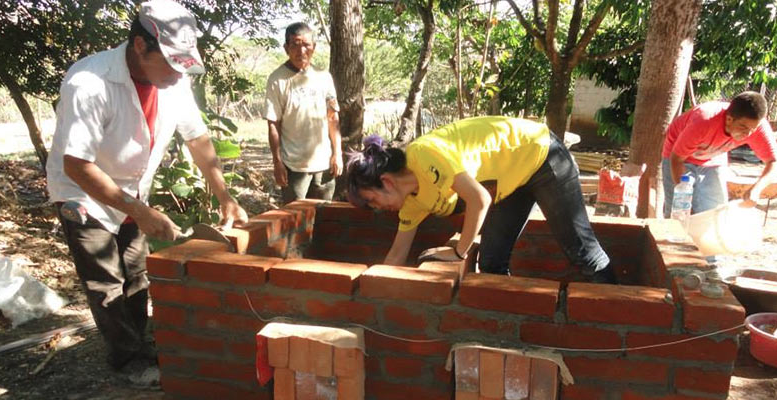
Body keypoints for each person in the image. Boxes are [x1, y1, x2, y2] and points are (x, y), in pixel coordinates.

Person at [45, 0, 248, 383]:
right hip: (83, 191)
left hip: (131, 189)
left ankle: (140, 341)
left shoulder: (175, 80)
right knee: (106, 281)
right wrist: (138, 211)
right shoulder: (89, 83)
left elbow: (197, 137)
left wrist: (224, 195)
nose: (177, 73)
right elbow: (77, 164)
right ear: (140, 45)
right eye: (170, 63)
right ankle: (127, 358)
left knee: (136, 272)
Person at [345, 116, 614, 283]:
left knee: (582, 252)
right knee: (491, 263)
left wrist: (459, 252)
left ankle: (616, 314)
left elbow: (479, 199)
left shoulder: (423, 155)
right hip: (510, 181)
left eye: (372, 201)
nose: (377, 209)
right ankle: (505, 329)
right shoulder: (412, 202)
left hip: (540, 155)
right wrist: (368, 289)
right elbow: (396, 254)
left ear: (386, 181)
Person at [662, 91, 777, 217]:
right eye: (743, 128)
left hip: (713, 156)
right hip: (677, 156)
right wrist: (683, 197)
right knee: (678, 212)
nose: (748, 134)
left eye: (753, 129)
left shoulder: (757, 127)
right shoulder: (703, 121)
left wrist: (756, 189)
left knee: (715, 212)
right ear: (729, 119)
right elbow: (677, 159)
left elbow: (774, 161)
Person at [264, 22, 342, 204]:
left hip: (324, 165)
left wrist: (337, 153)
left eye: (306, 45)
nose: (301, 51)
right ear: (286, 48)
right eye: (295, 45)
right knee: (294, 222)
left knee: (324, 217)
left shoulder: (324, 77)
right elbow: (273, 124)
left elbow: (333, 118)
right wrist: (277, 162)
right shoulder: (277, 80)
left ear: (313, 47)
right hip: (294, 167)